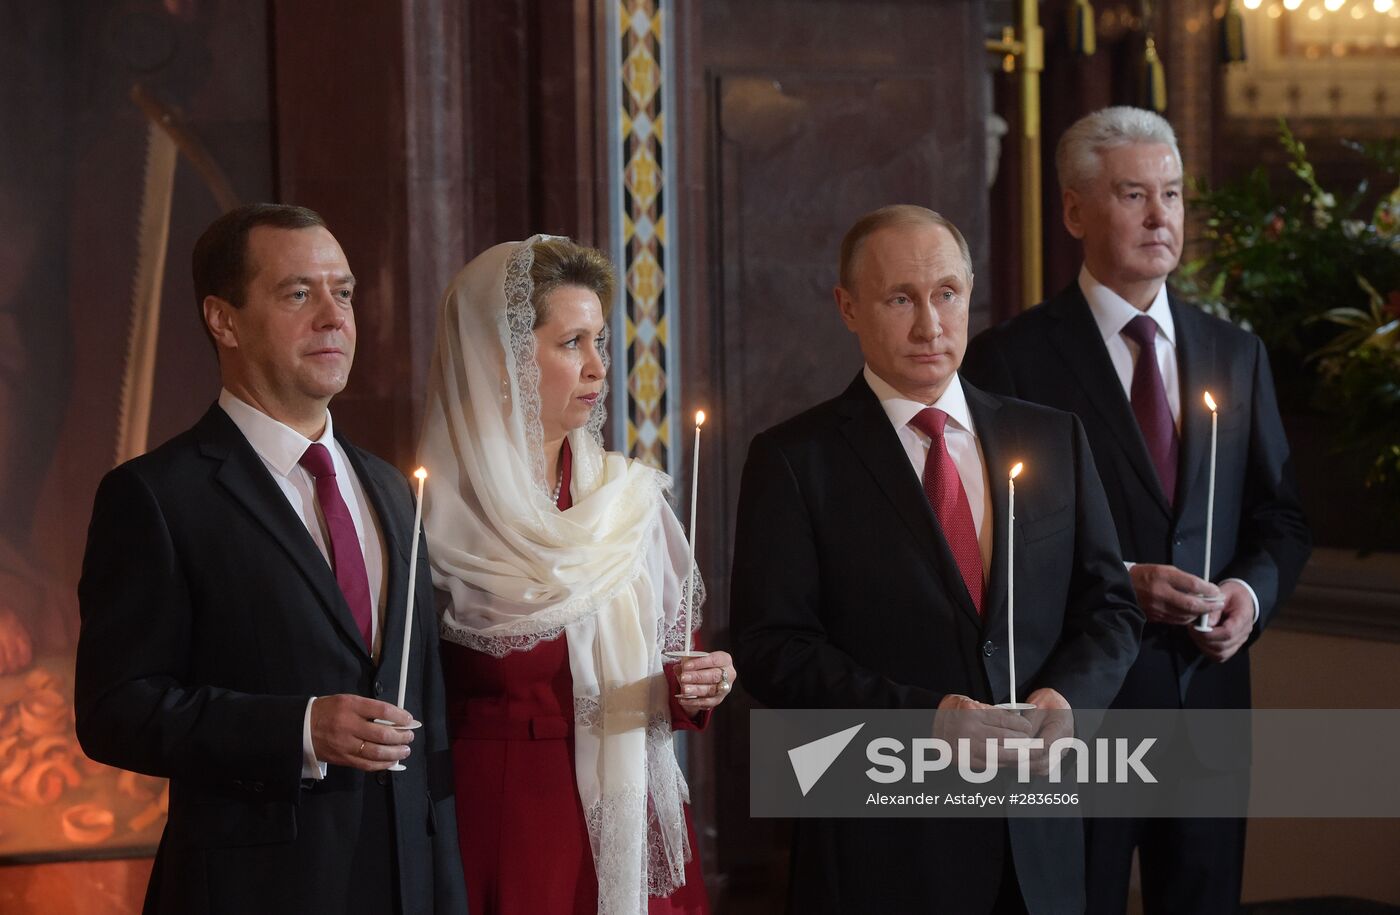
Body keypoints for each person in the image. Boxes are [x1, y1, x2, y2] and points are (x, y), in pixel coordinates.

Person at [730, 205, 1143, 915]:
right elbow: (772, 648)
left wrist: (1069, 699)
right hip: (883, 847)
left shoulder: (1052, 438)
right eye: (900, 299)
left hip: (1036, 845)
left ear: (971, 291)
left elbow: (1110, 607)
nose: (930, 324)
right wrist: (925, 720)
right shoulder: (795, 459)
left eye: (946, 294)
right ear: (848, 307)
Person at [962, 107, 1311, 915]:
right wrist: (1118, 580)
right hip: (1082, 710)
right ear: (1075, 210)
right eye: (1134, 195)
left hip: (1210, 703)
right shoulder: (1011, 357)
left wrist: (1247, 599)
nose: (1162, 217)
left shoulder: (1234, 351)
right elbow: (985, 538)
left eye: (1174, 194)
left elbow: (1281, 518)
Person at [74, 204, 468, 915]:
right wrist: (299, 728)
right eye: (298, 293)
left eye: (343, 292)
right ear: (223, 320)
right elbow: (115, 710)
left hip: (406, 884)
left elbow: (427, 725)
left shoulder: (390, 487)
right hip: (256, 891)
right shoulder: (157, 496)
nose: (333, 316)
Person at [418, 235, 735, 915]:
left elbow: (676, 673)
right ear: (501, 360)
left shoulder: (628, 503)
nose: (599, 368)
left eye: (601, 341)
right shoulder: (426, 515)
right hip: (501, 824)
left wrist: (697, 684)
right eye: (572, 343)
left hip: (627, 818)